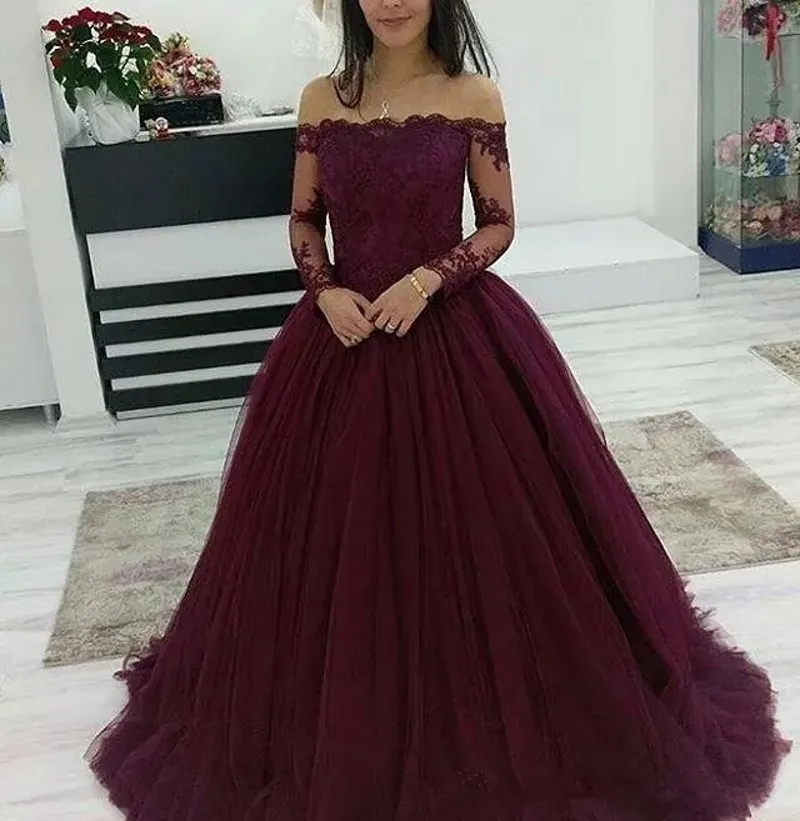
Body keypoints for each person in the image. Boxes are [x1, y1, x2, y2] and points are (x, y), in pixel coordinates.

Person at [87, 0, 791, 818]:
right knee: (324, 539)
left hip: (452, 331)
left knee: (495, 532)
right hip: (342, 336)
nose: (392, 2)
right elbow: (304, 218)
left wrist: (426, 281)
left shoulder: (471, 95)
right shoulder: (320, 98)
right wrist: (326, 291)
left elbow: (498, 225)